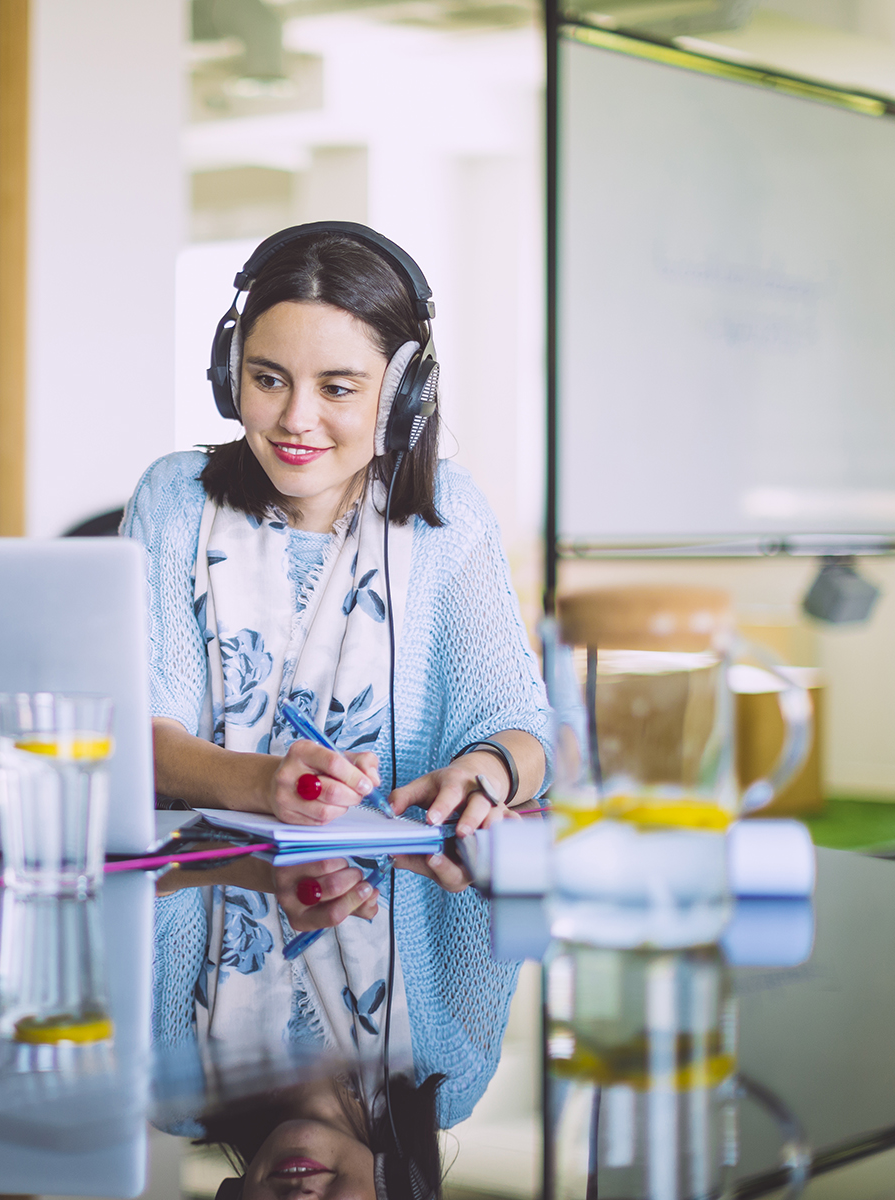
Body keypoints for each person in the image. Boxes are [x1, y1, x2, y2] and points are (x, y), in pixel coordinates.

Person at [127, 223, 552, 1150]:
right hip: (207, 882)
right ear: (228, 372)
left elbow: (523, 729)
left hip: (413, 886)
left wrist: (482, 772)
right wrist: (259, 783)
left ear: (402, 401)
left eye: (338, 387)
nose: (293, 418)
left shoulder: (450, 518)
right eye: (268, 376)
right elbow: (136, 735)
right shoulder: (173, 500)